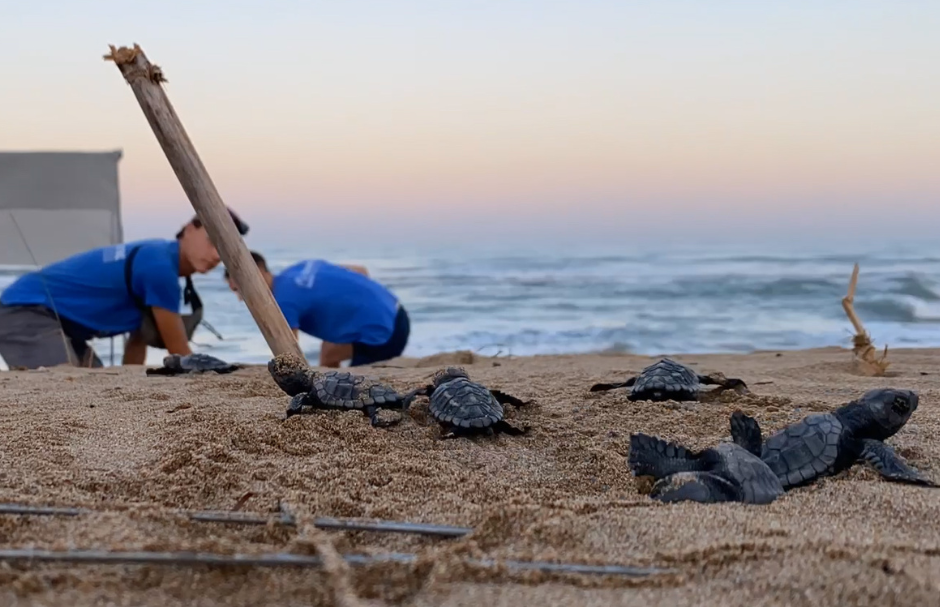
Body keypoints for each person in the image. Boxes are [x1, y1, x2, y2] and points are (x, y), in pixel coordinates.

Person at [0, 209, 249, 369]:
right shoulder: (160, 268)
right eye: (212, 242)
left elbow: (138, 339)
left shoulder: (158, 255)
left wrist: (132, 383)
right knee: (64, 383)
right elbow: (181, 353)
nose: (217, 255)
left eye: (225, 249)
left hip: (60, 324)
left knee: (96, 385)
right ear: (189, 229)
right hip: (25, 311)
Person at [224, 251, 409, 367]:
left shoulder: (282, 304)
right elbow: (360, 270)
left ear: (257, 274)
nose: (241, 298)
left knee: (336, 366)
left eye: (239, 289)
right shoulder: (301, 267)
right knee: (328, 349)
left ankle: (333, 399)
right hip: (396, 308)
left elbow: (290, 358)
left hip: (387, 335)